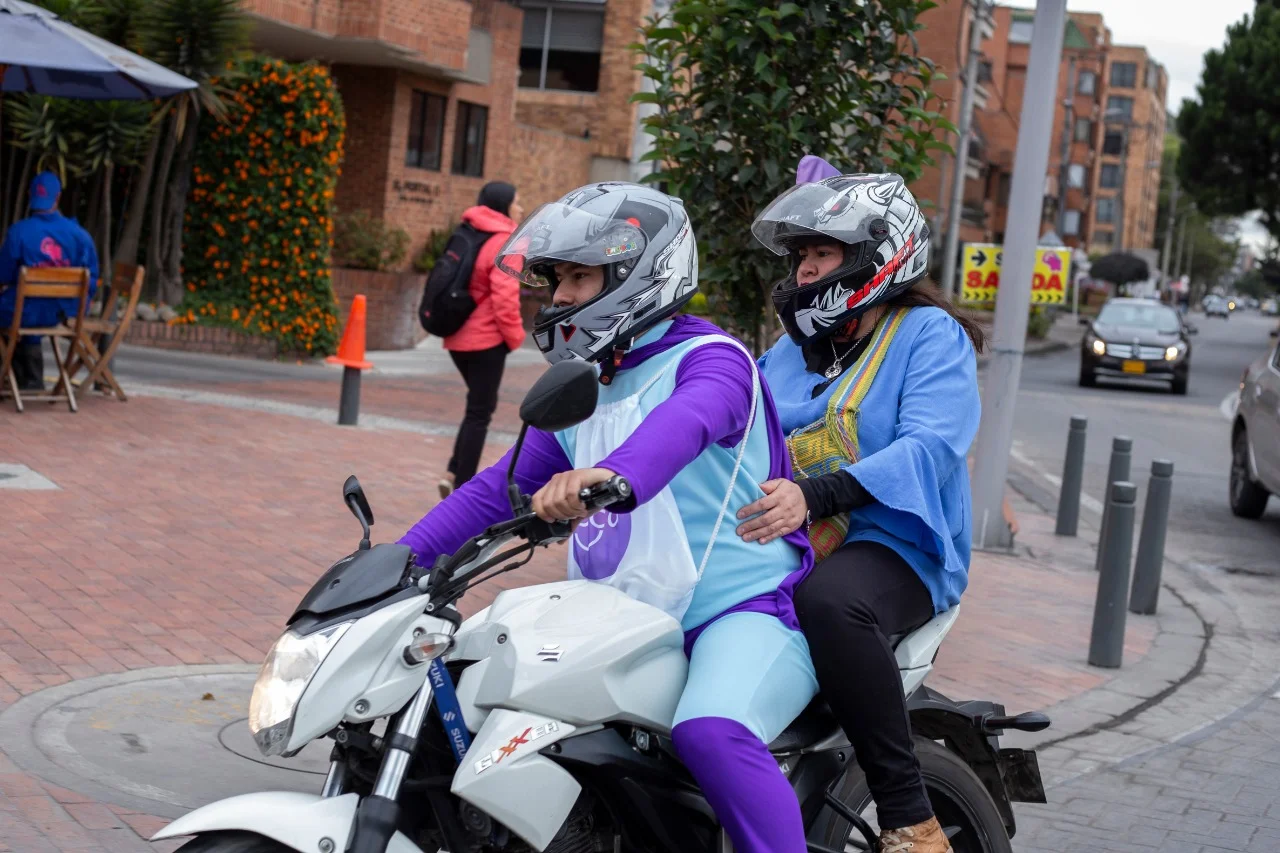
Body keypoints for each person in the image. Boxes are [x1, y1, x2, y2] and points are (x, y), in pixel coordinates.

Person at [400, 182, 820, 853]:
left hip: (738, 611)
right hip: (617, 618)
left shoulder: (714, 359)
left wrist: (613, 474)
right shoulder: (587, 378)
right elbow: (497, 489)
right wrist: (395, 561)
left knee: (711, 729)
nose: (560, 296)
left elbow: (686, 424)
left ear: (636, 275)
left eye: (578, 276)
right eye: (557, 278)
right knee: (474, 687)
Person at [738, 160, 984, 853]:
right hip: (787, 536)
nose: (806, 271)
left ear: (877, 256)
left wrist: (818, 492)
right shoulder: (789, 352)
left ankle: (910, 815)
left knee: (832, 604)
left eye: (823, 253)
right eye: (801, 257)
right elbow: (732, 424)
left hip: (895, 545)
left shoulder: (930, 337)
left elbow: (930, 446)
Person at [439, 182, 527, 498]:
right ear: (504, 205)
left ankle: (453, 470)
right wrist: (515, 337)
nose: (520, 207)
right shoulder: (506, 241)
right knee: (480, 412)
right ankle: (462, 488)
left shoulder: (469, 230)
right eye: (517, 202)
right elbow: (505, 298)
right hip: (486, 340)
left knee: (475, 407)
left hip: (456, 335)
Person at [0, 171, 99, 391]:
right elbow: (92, 280)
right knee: (32, 310)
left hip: (23, 312)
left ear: (29, 195)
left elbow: (3, 275)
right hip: (64, 313)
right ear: (58, 197)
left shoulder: (19, 232)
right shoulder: (80, 236)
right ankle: (30, 379)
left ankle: (14, 376)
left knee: (17, 311)